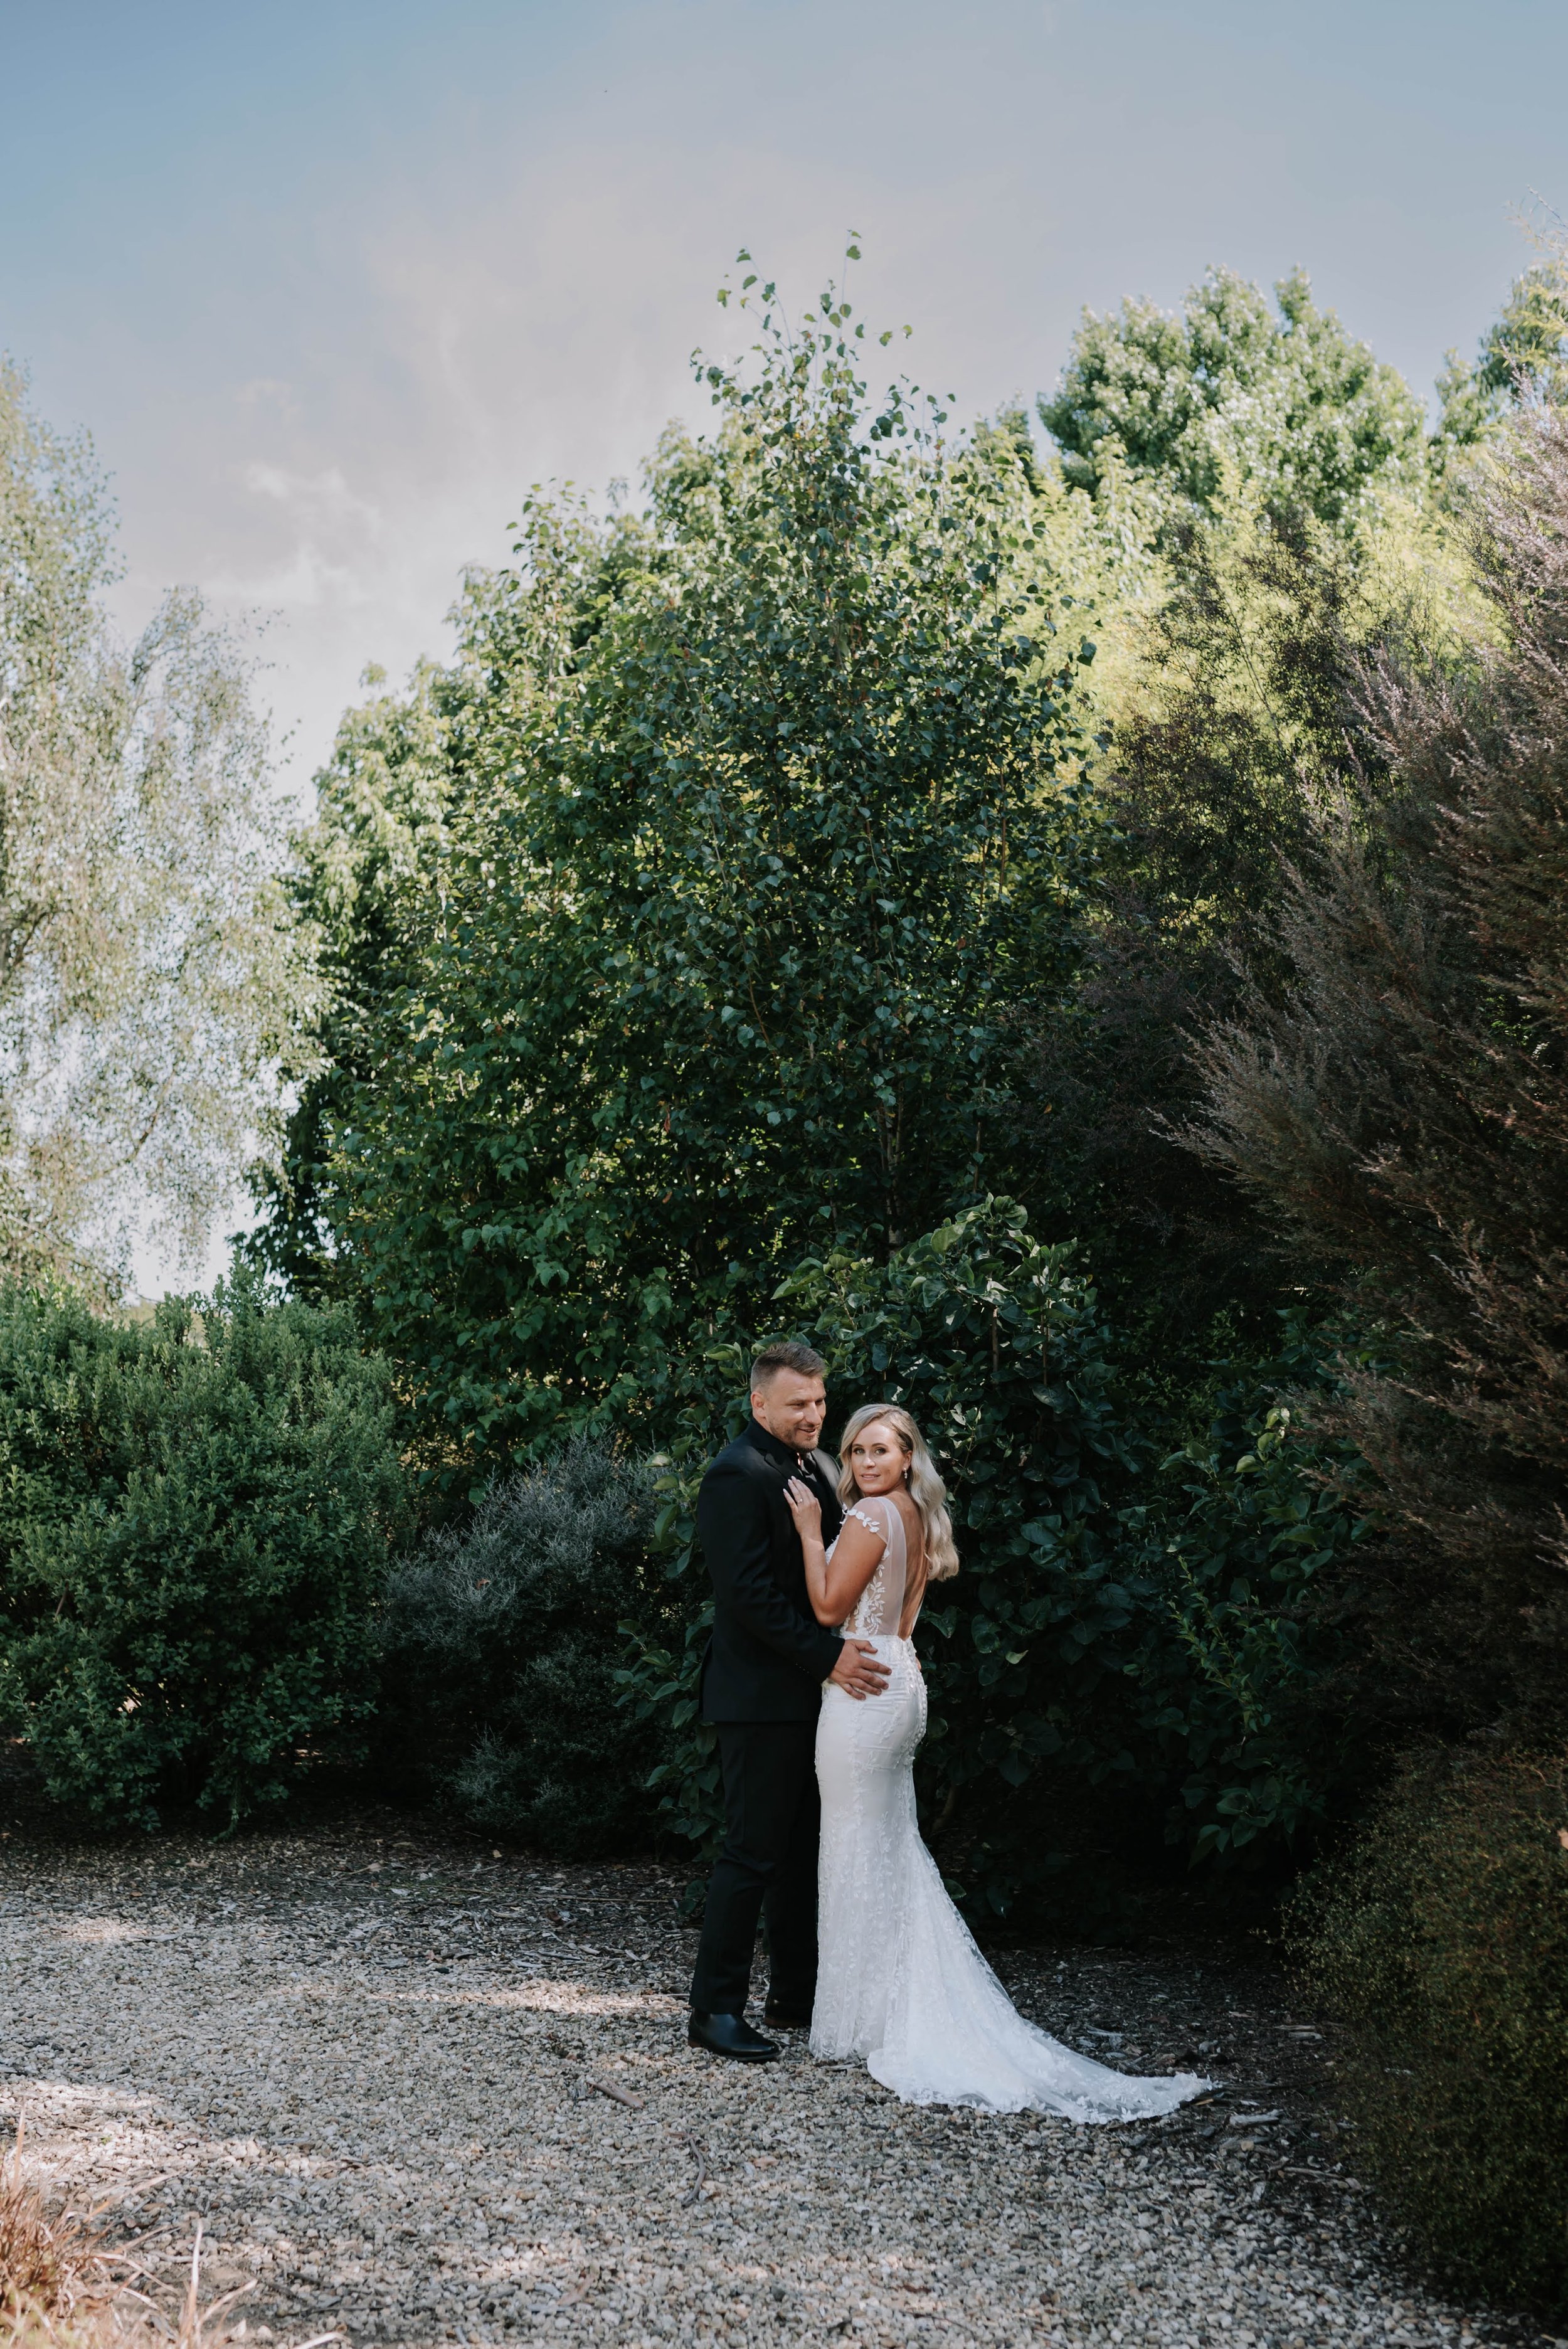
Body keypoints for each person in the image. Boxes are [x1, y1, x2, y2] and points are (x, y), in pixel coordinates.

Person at [783, 1403, 1209, 2119]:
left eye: (880, 1450)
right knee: (890, 1847)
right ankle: (885, 2009)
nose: (864, 1462)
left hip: (863, 1691)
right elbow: (898, 1618)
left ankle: (869, 2021)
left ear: (908, 1457)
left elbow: (827, 1608)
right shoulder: (914, 1518)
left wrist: (805, 1533)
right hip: (900, 1676)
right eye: (855, 1451)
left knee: (857, 1846)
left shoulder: (869, 1518)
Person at [687, 1342, 891, 2063]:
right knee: (751, 1851)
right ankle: (713, 2009)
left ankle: (795, 1994)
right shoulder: (734, 1476)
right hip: (758, 1697)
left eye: (819, 1401)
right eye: (797, 1403)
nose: (813, 1414)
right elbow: (747, 1599)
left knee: (805, 1848)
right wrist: (828, 1655)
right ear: (759, 1405)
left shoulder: (819, 1468)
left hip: (815, 1696)